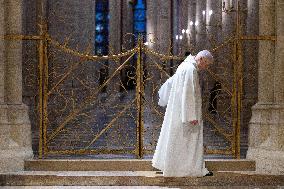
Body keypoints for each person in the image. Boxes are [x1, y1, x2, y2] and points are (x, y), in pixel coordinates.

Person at [152, 50, 214, 177]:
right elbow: (188, 94)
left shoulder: (184, 66)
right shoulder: (190, 69)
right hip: (186, 114)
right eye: (206, 64)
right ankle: (189, 169)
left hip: (178, 111)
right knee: (188, 143)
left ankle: (174, 168)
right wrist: (191, 116)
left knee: (178, 141)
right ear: (201, 59)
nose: (205, 68)